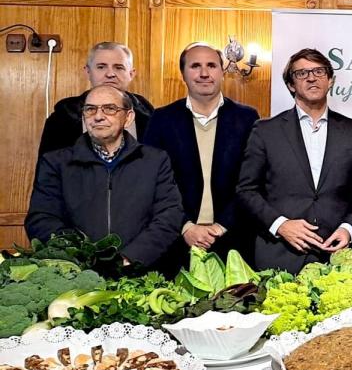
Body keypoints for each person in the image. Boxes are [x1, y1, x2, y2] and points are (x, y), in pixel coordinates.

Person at [236, 48, 352, 273]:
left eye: (319, 71)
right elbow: (246, 190)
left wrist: (348, 229)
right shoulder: (265, 131)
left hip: (337, 256)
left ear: (330, 80)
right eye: (302, 73)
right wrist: (280, 225)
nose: (312, 77)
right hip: (279, 254)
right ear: (291, 85)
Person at [26, 85, 183, 269]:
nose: (98, 116)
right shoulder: (55, 163)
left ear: (128, 117)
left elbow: (169, 216)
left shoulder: (155, 161)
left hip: (140, 272)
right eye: (90, 109)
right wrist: (81, 258)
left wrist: (129, 258)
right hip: (78, 275)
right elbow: (41, 219)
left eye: (110, 109)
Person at [142, 43, 261, 273]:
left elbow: (252, 179)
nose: (204, 73)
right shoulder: (162, 119)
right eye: (195, 66)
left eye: (211, 65)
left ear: (222, 71)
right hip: (176, 239)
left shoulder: (247, 118)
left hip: (234, 239)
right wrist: (186, 226)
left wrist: (222, 225)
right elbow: (152, 183)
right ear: (183, 74)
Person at [38, 41, 155, 157]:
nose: (110, 74)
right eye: (101, 67)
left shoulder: (150, 117)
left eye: (119, 68)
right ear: (88, 71)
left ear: (131, 74)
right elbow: (47, 172)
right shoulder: (62, 118)